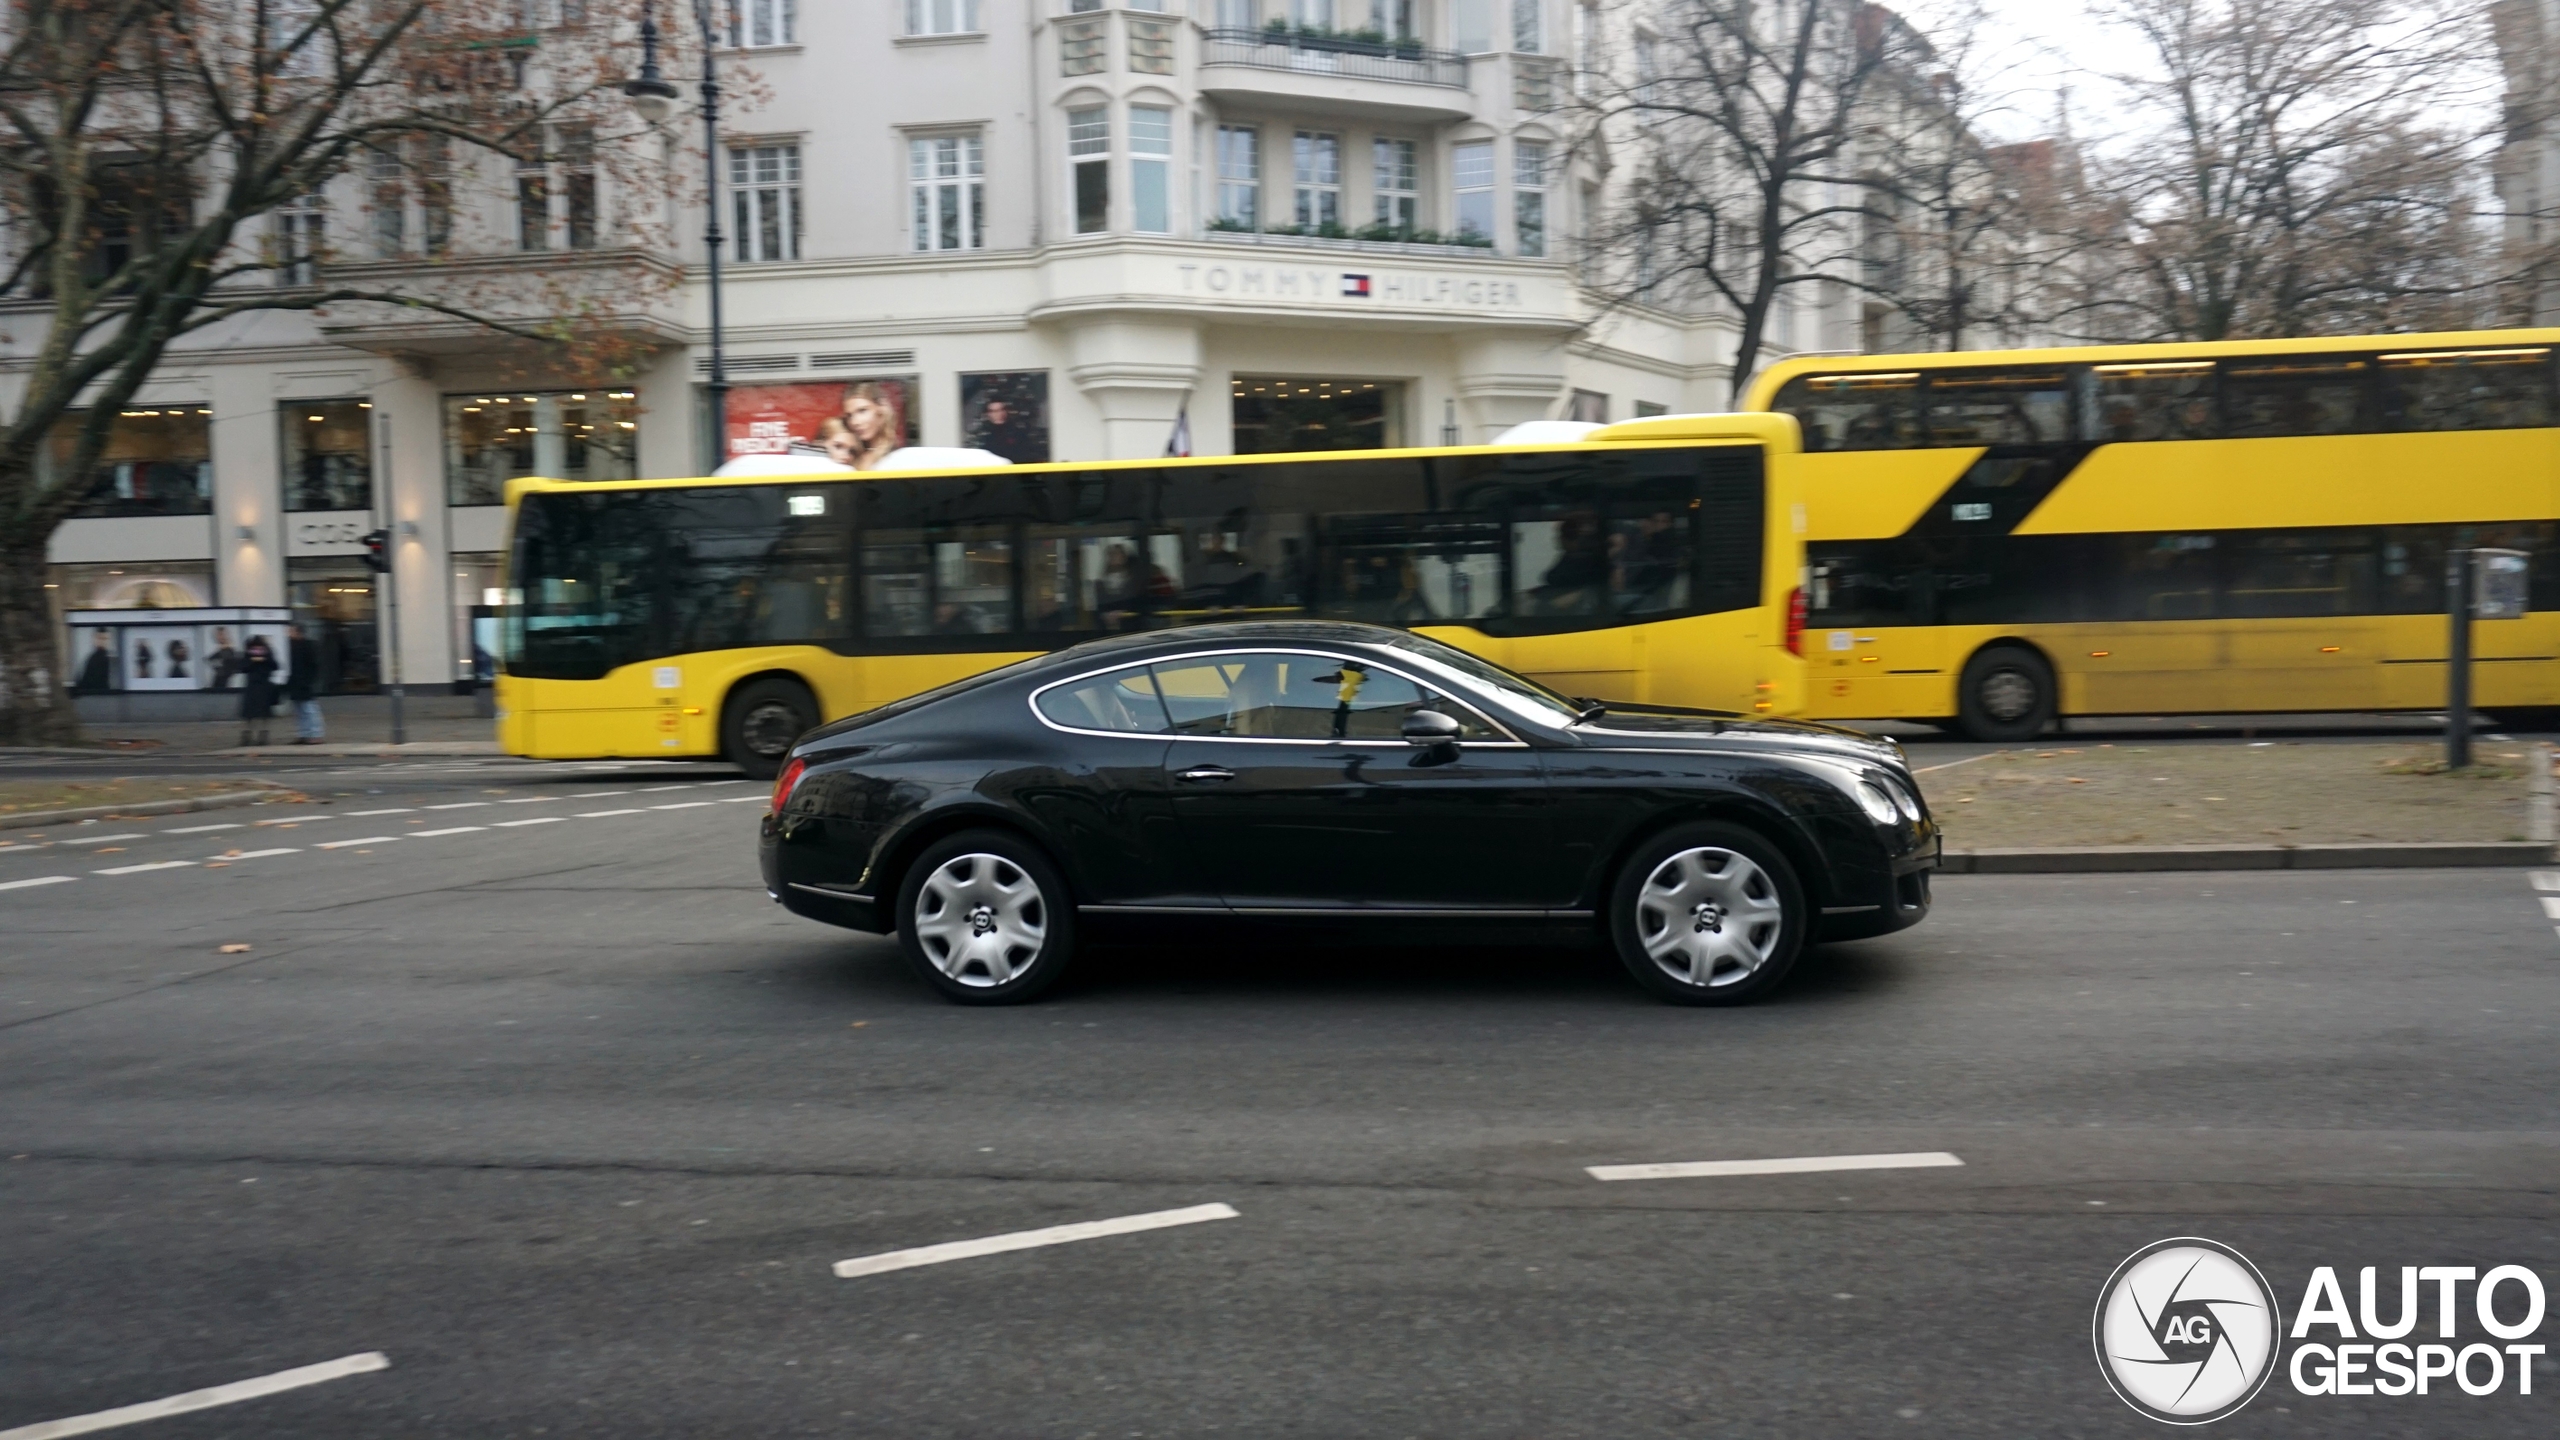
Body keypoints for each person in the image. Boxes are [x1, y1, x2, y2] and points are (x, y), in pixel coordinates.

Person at [838, 381, 905, 470]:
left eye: (862, 411)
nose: (854, 422)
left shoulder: (897, 456)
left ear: (880, 410)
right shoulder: (851, 456)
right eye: (849, 415)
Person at [285, 622, 324, 744]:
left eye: (291, 631)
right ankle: (304, 734)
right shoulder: (290, 646)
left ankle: (316, 734)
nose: (289, 634)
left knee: (310, 709)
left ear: (298, 632)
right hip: (295, 683)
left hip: (305, 683)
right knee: (299, 710)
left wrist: (309, 681)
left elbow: (314, 666)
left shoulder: (307, 646)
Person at [237, 634, 279, 747]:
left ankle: (261, 736)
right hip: (254, 685)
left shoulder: (267, 653)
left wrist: (264, 659)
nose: (257, 650)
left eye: (259, 647)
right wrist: (253, 661)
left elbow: (275, 666)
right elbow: (242, 668)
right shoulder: (248, 654)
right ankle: (249, 736)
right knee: (250, 714)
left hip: (263, 685)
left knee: (262, 713)